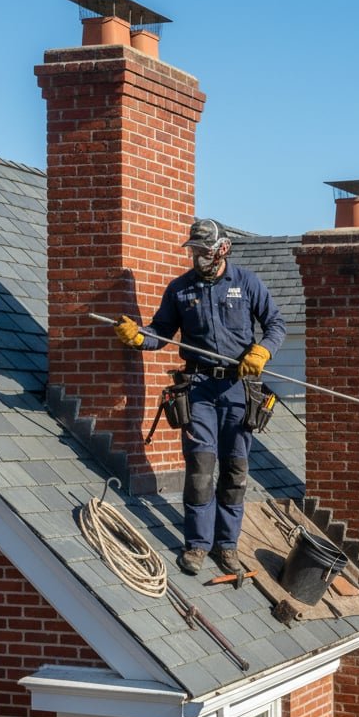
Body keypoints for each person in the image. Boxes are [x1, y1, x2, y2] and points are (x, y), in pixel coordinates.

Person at [114, 218, 286, 575]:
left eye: (203, 251)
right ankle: (196, 544)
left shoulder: (247, 283)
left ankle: (227, 545)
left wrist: (263, 352)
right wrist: (137, 337)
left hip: (239, 388)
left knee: (235, 471)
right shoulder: (180, 290)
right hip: (199, 389)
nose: (197, 257)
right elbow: (161, 333)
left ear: (222, 249)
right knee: (200, 470)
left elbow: (276, 325)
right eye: (193, 251)